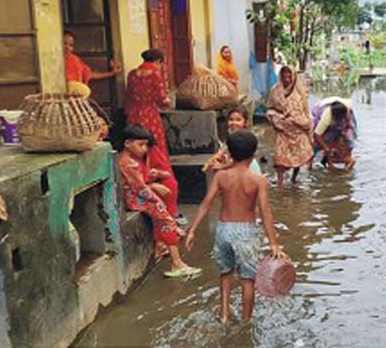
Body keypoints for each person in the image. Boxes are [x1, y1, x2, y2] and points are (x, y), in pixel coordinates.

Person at [186, 130, 286, 324]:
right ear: (254, 154)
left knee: (225, 273)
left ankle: (224, 315)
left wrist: (192, 230)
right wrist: (274, 243)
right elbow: (265, 211)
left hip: (223, 229)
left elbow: (206, 203)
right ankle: (246, 321)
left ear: (230, 153)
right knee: (248, 279)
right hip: (245, 232)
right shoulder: (258, 180)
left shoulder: (221, 176)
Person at [118, 125, 201, 278]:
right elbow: (141, 189)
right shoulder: (129, 163)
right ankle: (177, 263)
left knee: (165, 216)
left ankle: (169, 248)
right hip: (136, 199)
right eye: (140, 144)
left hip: (137, 195)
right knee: (166, 219)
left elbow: (142, 180)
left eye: (145, 145)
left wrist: (156, 177)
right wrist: (156, 197)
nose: (144, 149)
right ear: (127, 143)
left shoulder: (129, 160)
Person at [266, 66, 314, 188]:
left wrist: (305, 125)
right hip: (282, 129)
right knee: (280, 158)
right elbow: (270, 108)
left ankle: (293, 178)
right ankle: (280, 183)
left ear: (293, 76)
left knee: (298, 156)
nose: (287, 79)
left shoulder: (300, 92)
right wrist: (277, 118)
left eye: (289, 76)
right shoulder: (275, 91)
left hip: (298, 129)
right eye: (284, 75)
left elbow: (305, 111)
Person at [125, 49, 171, 155]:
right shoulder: (155, 73)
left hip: (133, 114)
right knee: (153, 145)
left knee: (135, 144)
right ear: (158, 61)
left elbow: (128, 95)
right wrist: (168, 102)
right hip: (150, 115)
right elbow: (162, 99)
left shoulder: (132, 74)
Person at [203, 105, 262, 175]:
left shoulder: (247, 139)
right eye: (231, 119)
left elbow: (242, 161)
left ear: (245, 122)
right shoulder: (227, 139)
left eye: (238, 120)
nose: (234, 123)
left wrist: (222, 167)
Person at [311, 97, 357, 170]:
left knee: (350, 140)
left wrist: (345, 134)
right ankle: (312, 163)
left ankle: (344, 157)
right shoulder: (326, 116)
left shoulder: (347, 111)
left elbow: (350, 127)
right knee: (322, 142)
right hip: (323, 111)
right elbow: (317, 134)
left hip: (341, 111)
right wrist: (325, 147)